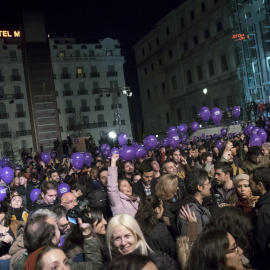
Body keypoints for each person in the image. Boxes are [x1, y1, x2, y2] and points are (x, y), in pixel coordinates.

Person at [106, 214, 179, 270]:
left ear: (137, 236)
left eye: (127, 236)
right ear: (111, 241)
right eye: (117, 238)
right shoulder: (109, 267)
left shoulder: (161, 260)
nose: (123, 243)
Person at [174, 168, 212, 236]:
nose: (210, 186)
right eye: (208, 184)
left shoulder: (199, 205)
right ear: (200, 187)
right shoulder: (191, 210)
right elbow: (193, 240)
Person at [249, 167, 270, 269]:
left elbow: (262, 244)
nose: (249, 186)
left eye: (251, 183)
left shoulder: (265, 210)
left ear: (260, 185)